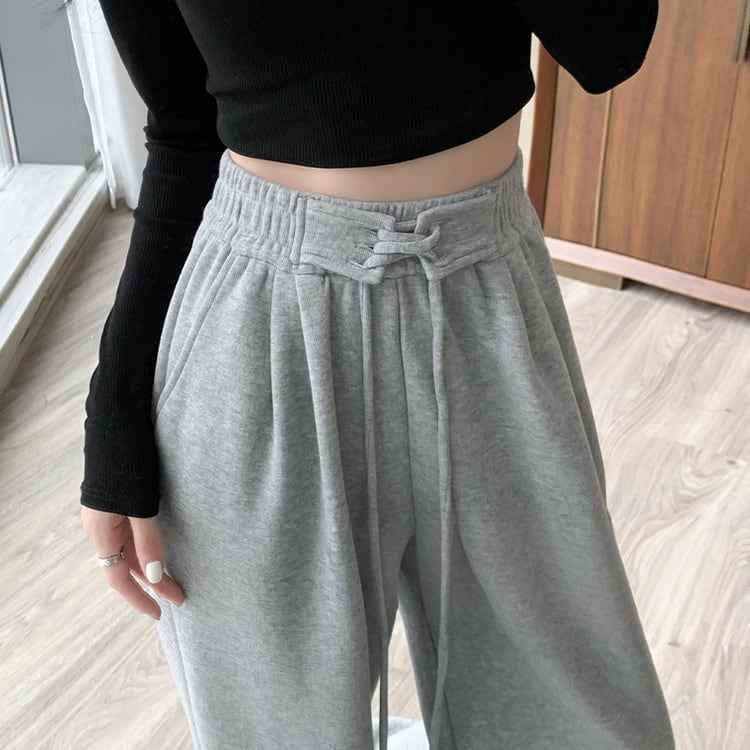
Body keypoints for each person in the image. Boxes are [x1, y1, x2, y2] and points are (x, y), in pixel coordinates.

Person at [74, 0, 675, 748]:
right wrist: (114, 413)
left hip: (486, 296)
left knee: (574, 722)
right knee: (277, 730)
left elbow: (609, 45)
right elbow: (182, 129)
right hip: (259, 329)